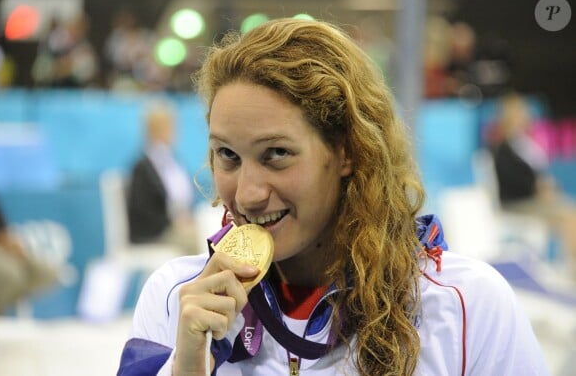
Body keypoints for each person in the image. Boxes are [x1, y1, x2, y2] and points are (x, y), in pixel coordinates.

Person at [117, 19, 549, 375]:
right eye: (227, 155)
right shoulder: (178, 300)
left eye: (277, 155)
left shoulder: (464, 305)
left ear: (346, 151)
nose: (247, 194)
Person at [491, 92, 576, 270]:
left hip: (535, 198)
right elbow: (510, 180)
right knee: (568, 215)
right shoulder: (502, 147)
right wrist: (537, 188)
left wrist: (546, 188)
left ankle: (568, 265)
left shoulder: (525, 143)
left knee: (569, 210)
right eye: (517, 112)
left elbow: (540, 173)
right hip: (516, 202)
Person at [126, 100, 198, 254]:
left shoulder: (172, 160)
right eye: (166, 126)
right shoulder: (142, 168)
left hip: (178, 225)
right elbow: (142, 212)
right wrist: (172, 222)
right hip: (154, 234)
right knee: (199, 241)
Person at [0, 198, 57, 314]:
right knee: (9, 274)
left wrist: (11, 243)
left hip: (0, 244)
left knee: (45, 271)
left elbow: (2, 230)